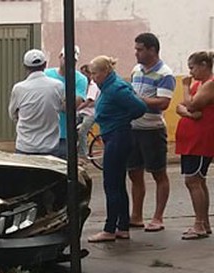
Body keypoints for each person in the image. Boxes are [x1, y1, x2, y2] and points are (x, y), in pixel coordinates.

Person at [87, 56, 147, 243]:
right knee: (118, 184)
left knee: (111, 183)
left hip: (118, 136)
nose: (93, 77)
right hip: (114, 136)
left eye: (95, 73)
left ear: (105, 71)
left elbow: (139, 107)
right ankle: (122, 226)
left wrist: (121, 119)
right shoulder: (109, 87)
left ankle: (110, 228)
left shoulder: (115, 89)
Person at [128, 33, 176, 232]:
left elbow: (163, 103)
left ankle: (158, 217)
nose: (136, 53)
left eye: (140, 49)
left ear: (152, 50)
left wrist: (139, 101)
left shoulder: (165, 74)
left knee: (158, 173)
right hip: (133, 129)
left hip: (152, 130)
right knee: (134, 173)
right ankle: (136, 215)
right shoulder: (136, 70)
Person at [175, 51, 214, 240]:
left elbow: (191, 104)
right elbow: (181, 107)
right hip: (191, 139)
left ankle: (199, 224)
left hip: (200, 140)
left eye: (192, 67)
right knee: (198, 180)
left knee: (193, 180)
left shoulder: (209, 84)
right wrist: (189, 113)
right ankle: (204, 222)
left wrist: (185, 86)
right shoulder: (199, 84)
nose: (190, 72)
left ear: (204, 65)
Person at [8, 49, 64, 156]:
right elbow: (61, 107)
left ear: (25, 67)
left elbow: (13, 114)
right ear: (45, 65)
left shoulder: (19, 88)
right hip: (50, 147)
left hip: (25, 146)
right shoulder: (58, 86)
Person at [45, 45, 88, 159]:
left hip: (65, 134)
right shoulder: (46, 74)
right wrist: (63, 99)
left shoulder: (80, 79)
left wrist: (52, 98)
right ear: (60, 57)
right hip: (45, 134)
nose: (69, 62)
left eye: (73, 60)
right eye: (66, 58)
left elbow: (69, 107)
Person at [77, 64, 100, 160]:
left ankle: (83, 154)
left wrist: (77, 108)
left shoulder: (93, 86)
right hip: (82, 112)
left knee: (82, 132)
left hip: (91, 113)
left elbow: (88, 101)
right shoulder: (83, 85)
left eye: (84, 74)